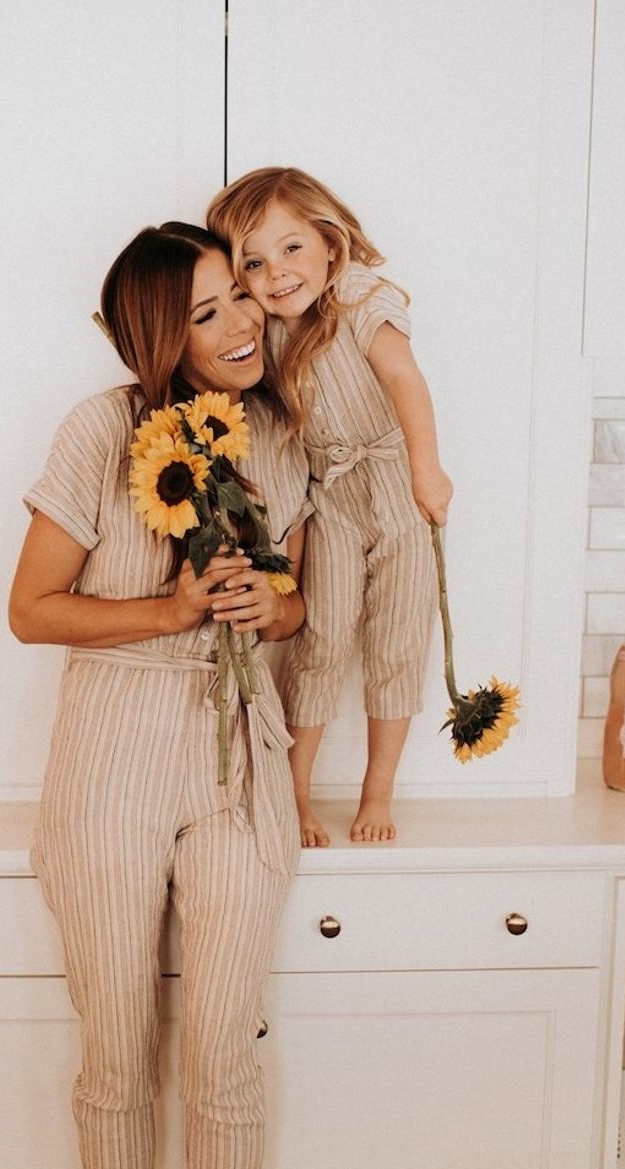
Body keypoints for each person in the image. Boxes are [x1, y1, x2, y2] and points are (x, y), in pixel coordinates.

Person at [8, 221, 310, 1169]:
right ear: (152, 336)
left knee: (224, 1049)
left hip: (240, 752)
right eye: (202, 311)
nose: (238, 320)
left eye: (238, 292)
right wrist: (169, 608)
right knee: (114, 1051)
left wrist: (267, 601)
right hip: (113, 754)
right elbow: (31, 610)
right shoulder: (98, 428)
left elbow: (298, 603)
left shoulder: (284, 435)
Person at [207, 166, 452, 846]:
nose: (276, 273)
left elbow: (405, 379)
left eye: (290, 248)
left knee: (398, 643)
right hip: (333, 501)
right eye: (253, 263)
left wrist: (428, 472)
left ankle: (378, 792)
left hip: (398, 488)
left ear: (328, 239)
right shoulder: (268, 329)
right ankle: (294, 792)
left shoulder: (358, 297)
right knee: (322, 640)